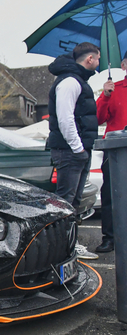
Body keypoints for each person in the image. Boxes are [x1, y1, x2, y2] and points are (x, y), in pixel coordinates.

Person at [46, 42, 100, 259]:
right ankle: (60, 248)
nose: (97, 63)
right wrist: (78, 149)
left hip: (76, 151)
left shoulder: (75, 81)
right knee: (65, 203)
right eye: (97, 59)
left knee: (72, 203)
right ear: (89, 59)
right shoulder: (70, 82)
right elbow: (65, 119)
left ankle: (67, 245)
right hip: (71, 152)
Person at [95, 51, 127, 253]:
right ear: (123, 65)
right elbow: (98, 118)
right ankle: (110, 237)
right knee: (110, 195)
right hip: (116, 153)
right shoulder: (113, 89)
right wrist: (105, 96)